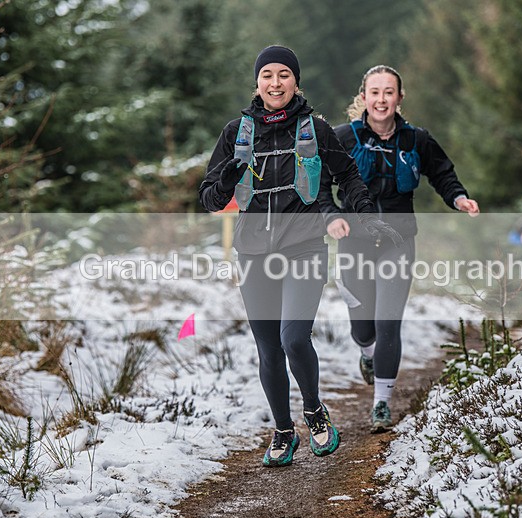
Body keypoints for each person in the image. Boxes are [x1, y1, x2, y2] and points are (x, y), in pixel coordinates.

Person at [199, 47, 401, 467]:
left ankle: (314, 410)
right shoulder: (236, 132)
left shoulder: (316, 129)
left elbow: (347, 175)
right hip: (253, 252)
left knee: (293, 338)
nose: (275, 83)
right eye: (267, 75)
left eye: (284, 75)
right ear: (257, 82)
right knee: (269, 349)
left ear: (296, 82)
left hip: (304, 246)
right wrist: (225, 182)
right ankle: (283, 431)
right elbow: (209, 200)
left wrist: (367, 216)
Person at [319, 65, 480, 433]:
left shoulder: (416, 139)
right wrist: (331, 217)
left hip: (398, 242)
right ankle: (367, 353)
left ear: (399, 98)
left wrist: (458, 198)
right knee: (363, 327)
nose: (381, 100)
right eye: (375, 92)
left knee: (388, 322)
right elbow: (321, 184)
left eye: (388, 92)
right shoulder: (343, 137)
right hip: (355, 241)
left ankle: (382, 403)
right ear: (364, 97)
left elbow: (442, 174)